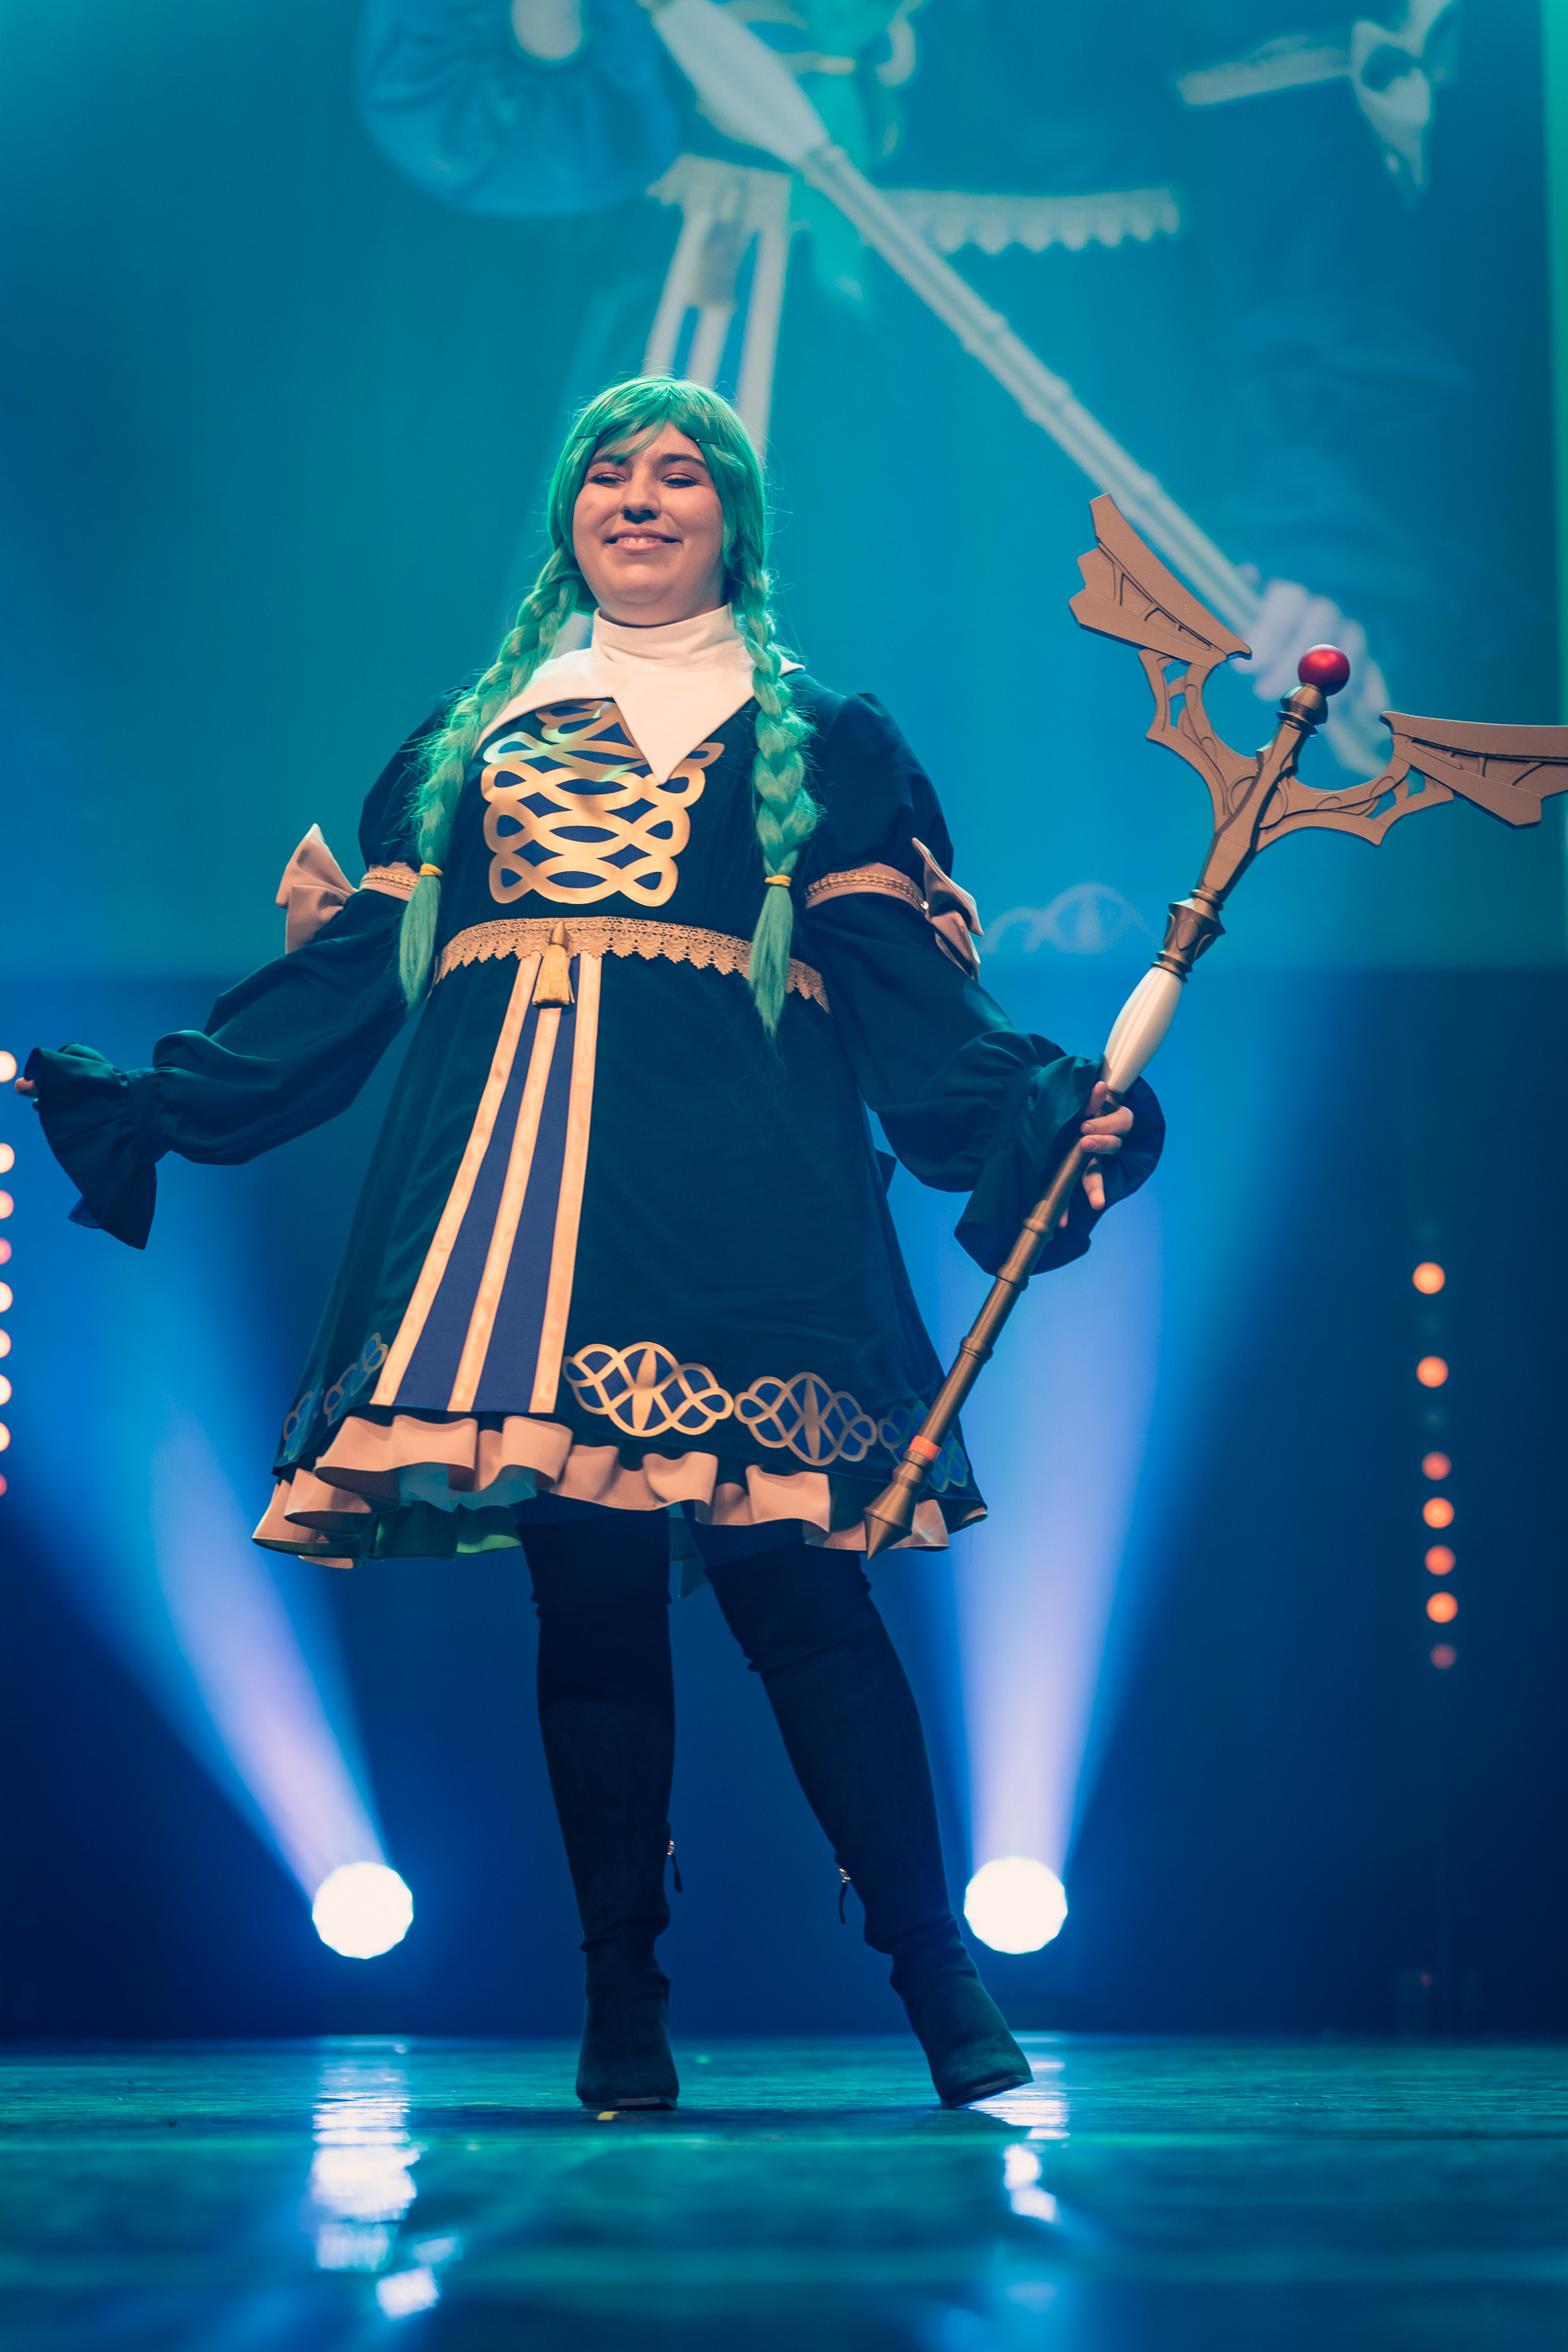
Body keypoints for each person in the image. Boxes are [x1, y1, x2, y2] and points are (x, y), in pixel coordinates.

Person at [21, 378, 1161, 2109]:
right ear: (570, 514)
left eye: (679, 474)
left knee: (802, 1585)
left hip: (740, 1196)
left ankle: (939, 1973)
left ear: (733, 524)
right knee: (595, 1594)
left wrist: (1043, 1111)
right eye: (609, 473)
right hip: (516, 1218)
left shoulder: (821, 736)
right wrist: (163, 1099)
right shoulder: (470, 737)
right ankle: (621, 1994)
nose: (640, 497)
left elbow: (904, 992)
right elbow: (349, 980)